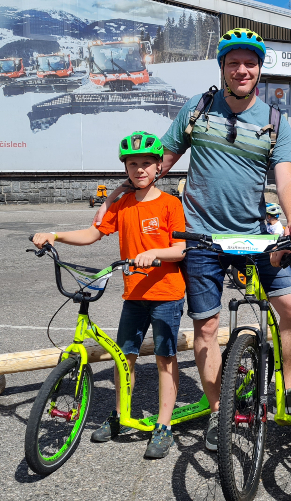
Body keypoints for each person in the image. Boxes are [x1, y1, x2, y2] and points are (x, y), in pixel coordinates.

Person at [94, 28, 291, 452]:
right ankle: (218, 413)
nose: (242, 70)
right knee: (207, 329)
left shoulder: (276, 121)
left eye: (250, 63)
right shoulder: (198, 108)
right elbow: (163, 158)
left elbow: (285, 177)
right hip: (199, 237)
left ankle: (281, 387)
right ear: (224, 69)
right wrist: (122, 190)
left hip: (252, 234)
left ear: (259, 70)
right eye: (234, 63)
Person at [33, 132, 186, 460]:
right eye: (133, 164)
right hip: (134, 294)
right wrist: (54, 235)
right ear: (126, 168)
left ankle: (163, 425)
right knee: (124, 356)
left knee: (164, 358)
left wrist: (156, 252)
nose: (140, 169)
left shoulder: (170, 204)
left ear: (160, 166)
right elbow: (93, 233)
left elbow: (181, 249)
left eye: (147, 163)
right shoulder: (124, 203)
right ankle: (120, 415)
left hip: (166, 294)